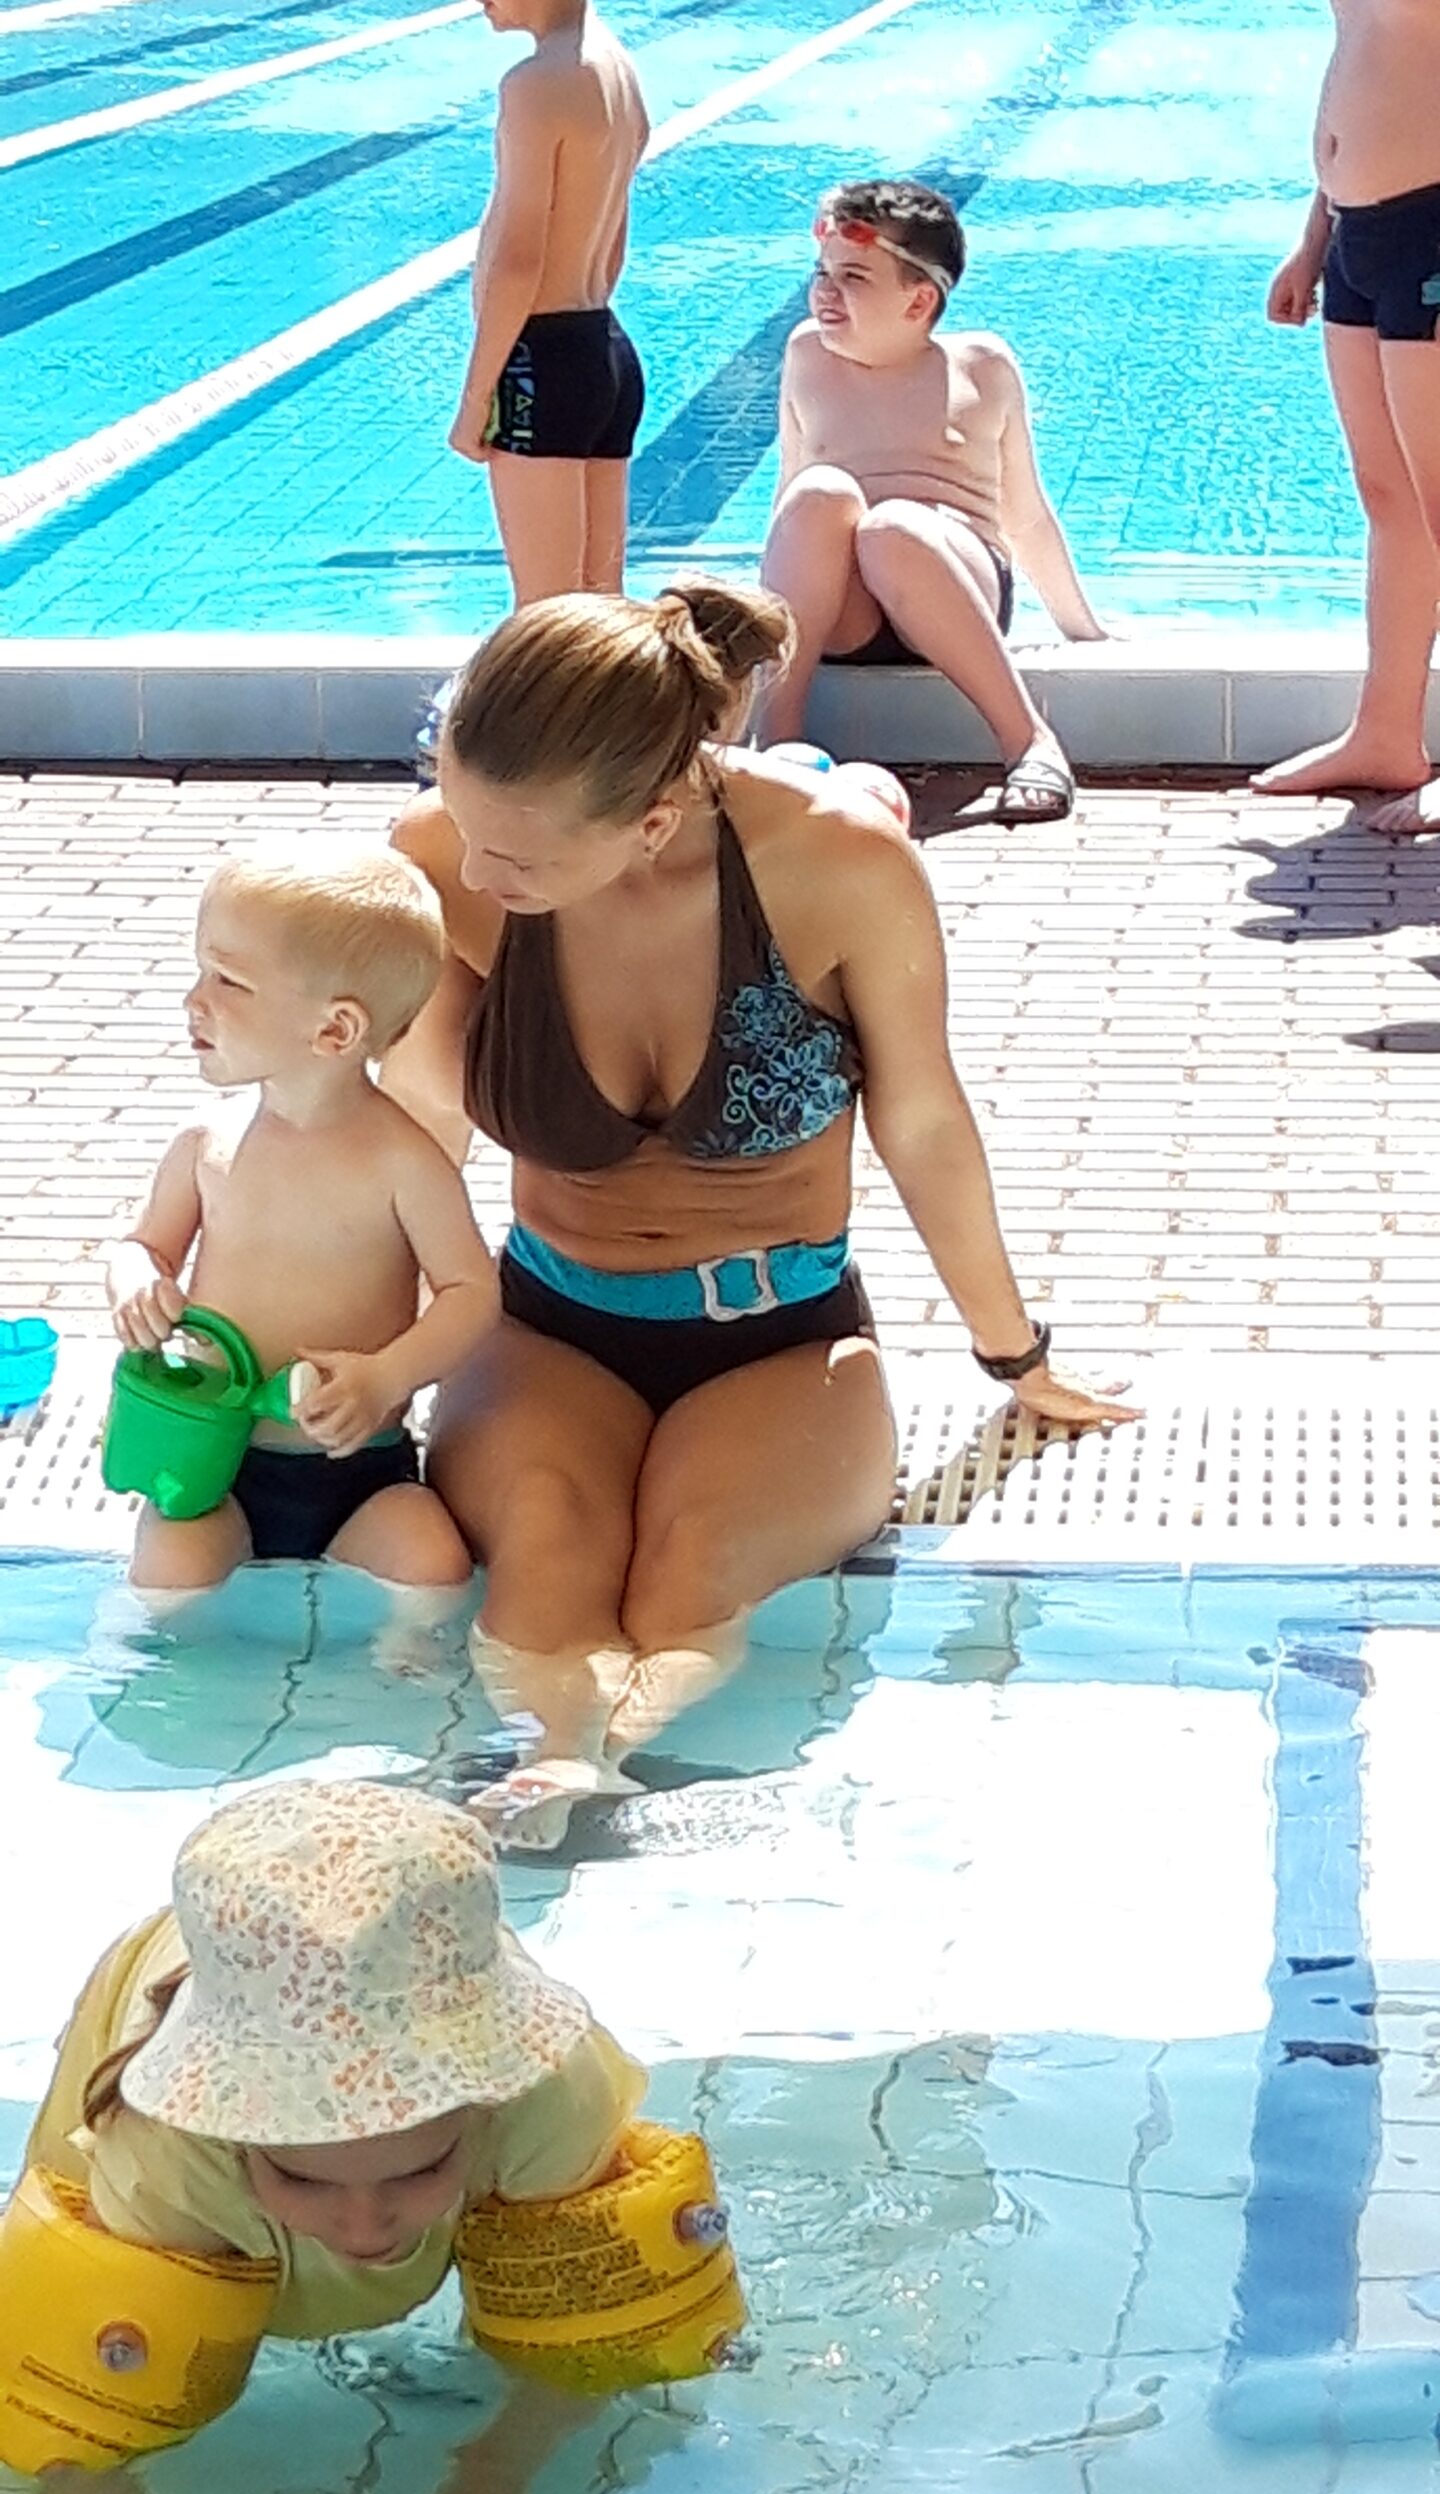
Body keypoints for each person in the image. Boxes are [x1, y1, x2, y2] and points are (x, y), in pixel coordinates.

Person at [383, 578, 1137, 1853]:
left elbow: (924, 1125)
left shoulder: (838, 864)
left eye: (516, 858)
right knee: (551, 1555)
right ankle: (551, 1769)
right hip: (547, 1321)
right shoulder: (444, 867)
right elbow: (407, 1134)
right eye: (461, 822)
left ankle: (598, 1767)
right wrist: (355, 1345)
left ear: (651, 821)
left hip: (783, 1340)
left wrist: (1016, 1356)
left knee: (690, 1574)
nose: (476, 867)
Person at [4, 1780, 668, 2494]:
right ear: (236, 2140)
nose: (362, 2228)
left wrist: (498, 2469)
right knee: (86, 2314)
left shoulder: (548, 2093)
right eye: (303, 2180)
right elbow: (73, 2401)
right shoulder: (163, 2150)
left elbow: (594, 2332)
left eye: (418, 2171)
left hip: (429, 1973)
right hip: (228, 1980)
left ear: (487, 2110)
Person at [105, 843, 497, 1609]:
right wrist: (137, 1281)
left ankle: (396, 1673)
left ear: (335, 1030)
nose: (194, 999)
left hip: (360, 1468)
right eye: (200, 971)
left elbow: (471, 1292)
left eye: (228, 980)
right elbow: (143, 1244)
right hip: (218, 1462)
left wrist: (388, 1376)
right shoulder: (207, 1143)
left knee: (433, 1569)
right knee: (168, 1579)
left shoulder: (405, 1163)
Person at [756, 179, 1106, 827]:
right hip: (851, 616)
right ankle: (776, 742)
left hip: (955, 589)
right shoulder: (807, 354)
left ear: (918, 300)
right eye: (822, 272)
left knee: (893, 527)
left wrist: (1082, 627)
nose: (825, 291)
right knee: (819, 492)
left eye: (853, 277)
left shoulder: (980, 366)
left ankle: (1029, 741)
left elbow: (1025, 515)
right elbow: (790, 497)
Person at [1259, 0, 1440, 837]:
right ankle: (1386, 732)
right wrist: (1315, 237)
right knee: (1389, 496)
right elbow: (1364, 55)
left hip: (1434, 223)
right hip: (1358, 231)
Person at [448, 0, 649, 605]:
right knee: (604, 616)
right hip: (604, 350)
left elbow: (518, 261)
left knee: (546, 618)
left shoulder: (535, 84)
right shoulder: (617, 69)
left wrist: (475, 401)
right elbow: (614, 246)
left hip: (541, 360)